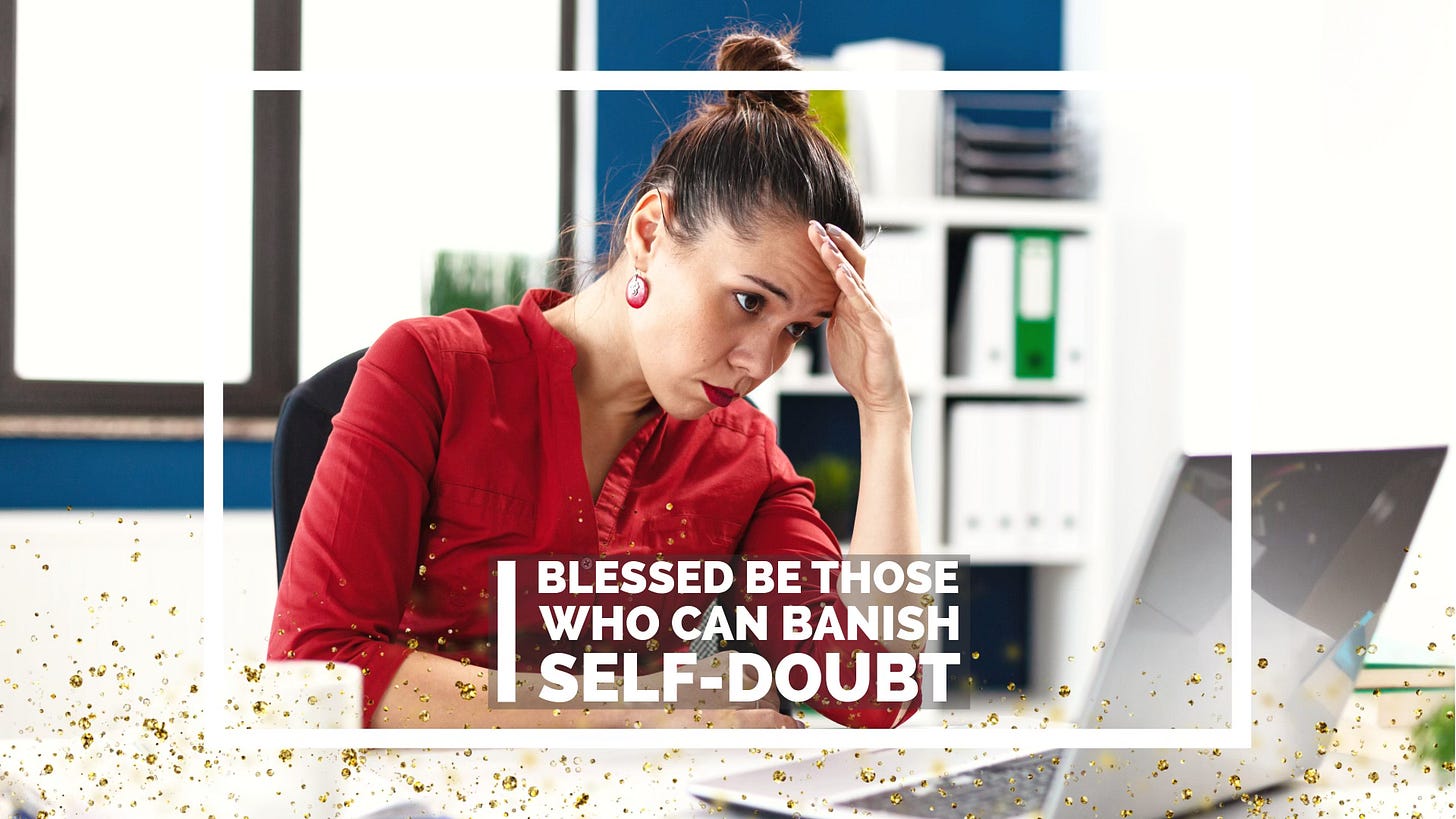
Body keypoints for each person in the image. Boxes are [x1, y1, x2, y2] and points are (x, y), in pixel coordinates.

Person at [268, 28, 923, 729]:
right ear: (649, 234)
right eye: (748, 301)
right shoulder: (431, 372)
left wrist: (884, 413)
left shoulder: (745, 457)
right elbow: (317, 670)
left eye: (797, 328)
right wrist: (644, 705)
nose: (760, 364)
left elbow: (873, 690)